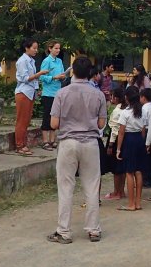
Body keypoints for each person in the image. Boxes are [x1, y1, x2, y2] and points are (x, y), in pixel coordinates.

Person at [46, 56, 107, 244]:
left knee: (66, 187)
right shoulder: (98, 94)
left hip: (68, 142)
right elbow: (101, 123)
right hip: (90, 143)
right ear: (90, 73)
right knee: (92, 186)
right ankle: (93, 229)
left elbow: (53, 123)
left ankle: (63, 231)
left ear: (73, 71)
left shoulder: (62, 93)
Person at [116, 85, 147, 211]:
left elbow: (121, 132)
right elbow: (143, 129)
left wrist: (118, 149)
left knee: (129, 172)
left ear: (127, 98)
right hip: (139, 139)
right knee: (138, 171)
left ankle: (131, 203)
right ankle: (138, 202)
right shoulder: (142, 111)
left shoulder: (125, 112)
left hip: (129, 140)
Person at [14, 38, 47, 157]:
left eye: (37, 48)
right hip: (23, 92)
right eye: (34, 48)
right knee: (22, 120)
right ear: (26, 48)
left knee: (27, 120)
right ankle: (19, 145)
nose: (36, 50)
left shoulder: (31, 60)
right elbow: (25, 78)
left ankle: (23, 144)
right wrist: (39, 74)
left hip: (30, 92)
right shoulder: (22, 61)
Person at [39, 41, 68, 151]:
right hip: (48, 93)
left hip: (58, 92)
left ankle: (52, 140)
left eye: (59, 48)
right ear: (50, 49)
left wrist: (63, 77)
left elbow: (62, 74)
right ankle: (45, 141)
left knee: (55, 116)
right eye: (56, 48)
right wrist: (53, 77)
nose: (58, 50)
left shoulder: (59, 61)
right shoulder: (46, 61)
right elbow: (41, 77)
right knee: (47, 116)